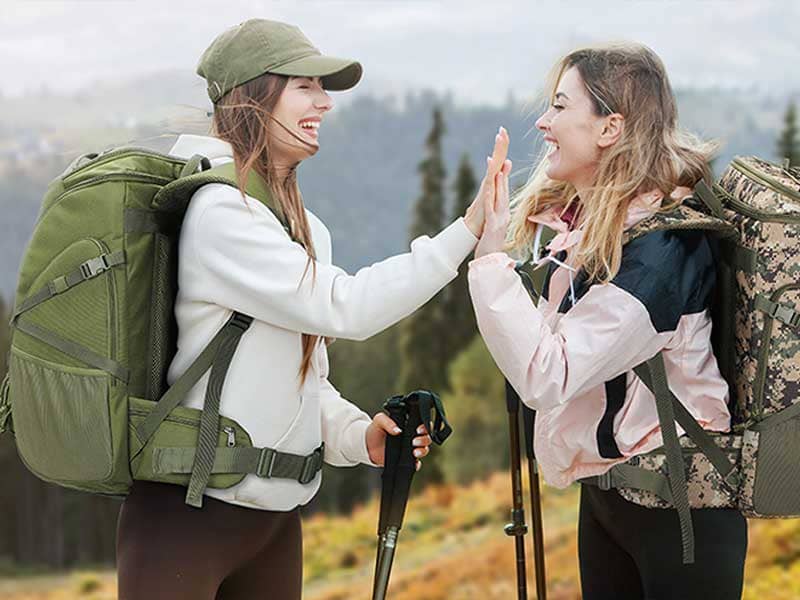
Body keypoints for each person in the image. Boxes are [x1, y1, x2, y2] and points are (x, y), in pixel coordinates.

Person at [116, 18, 511, 600]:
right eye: (306, 87)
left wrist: (360, 437)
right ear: (254, 96)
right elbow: (346, 308)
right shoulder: (222, 216)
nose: (325, 103)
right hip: (187, 519)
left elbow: (306, 382)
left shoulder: (302, 229)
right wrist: (468, 229)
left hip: (275, 525)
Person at [468, 43, 747, 599]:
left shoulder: (660, 249)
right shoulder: (597, 230)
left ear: (609, 128)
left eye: (559, 107)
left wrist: (491, 257)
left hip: (681, 512)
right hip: (612, 493)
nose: (544, 123)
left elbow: (550, 373)